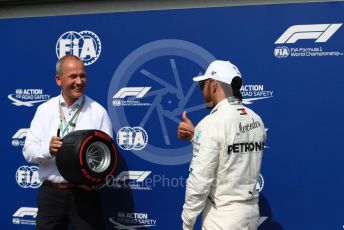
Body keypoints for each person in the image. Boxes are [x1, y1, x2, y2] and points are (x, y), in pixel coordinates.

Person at [23, 55, 113, 230]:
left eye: (82, 76)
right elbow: (28, 151)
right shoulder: (44, 110)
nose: (79, 81)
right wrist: (47, 150)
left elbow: (108, 156)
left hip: (84, 196)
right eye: (73, 76)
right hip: (51, 195)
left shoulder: (98, 112)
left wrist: (99, 180)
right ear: (59, 79)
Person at [178, 60, 266, 230]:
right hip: (251, 216)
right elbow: (232, 152)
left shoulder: (211, 124)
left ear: (213, 85)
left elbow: (199, 182)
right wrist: (196, 136)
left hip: (221, 219)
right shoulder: (256, 119)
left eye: (202, 85)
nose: (202, 91)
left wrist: (187, 224)